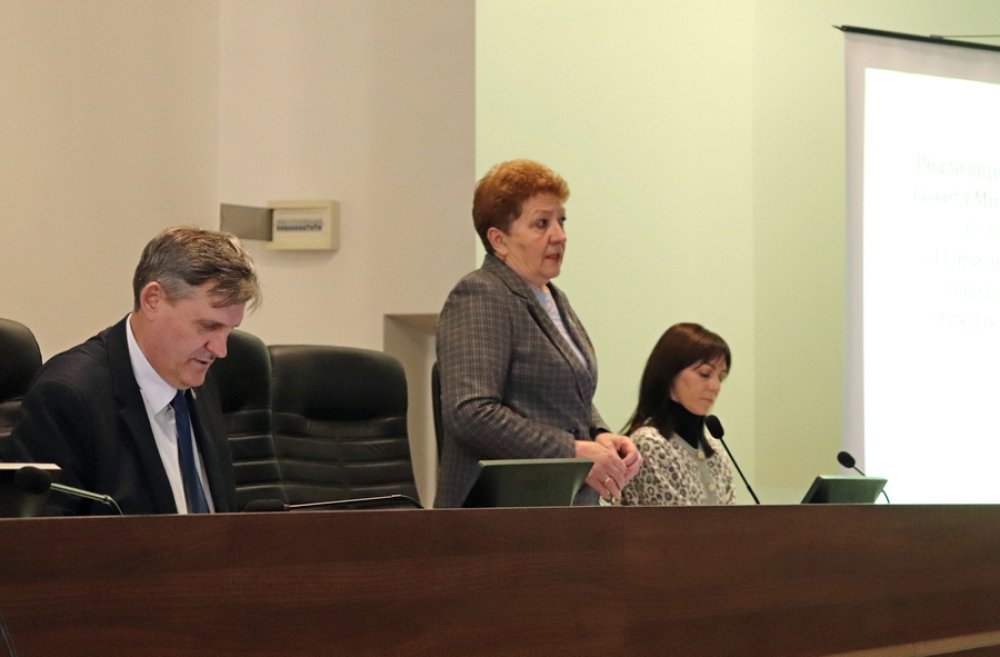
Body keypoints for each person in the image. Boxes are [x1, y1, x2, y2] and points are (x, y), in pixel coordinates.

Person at [6, 227, 260, 515]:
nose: (220, 350)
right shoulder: (68, 395)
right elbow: (45, 536)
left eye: (229, 330)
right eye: (208, 326)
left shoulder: (198, 378)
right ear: (153, 300)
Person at [435, 159, 642, 507]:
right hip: (501, 516)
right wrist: (571, 451)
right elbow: (470, 413)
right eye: (542, 223)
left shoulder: (554, 298)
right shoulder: (481, 294)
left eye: (561, 221)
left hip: (562, 510)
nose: (560, 235)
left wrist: (600, 435)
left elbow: (569, 396)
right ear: (499, 240)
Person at [619, 322, 735, 506]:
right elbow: (677, 523)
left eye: (720, 377)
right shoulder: (649, 443)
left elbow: (734, 518)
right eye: (705, 374)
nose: (715, 387)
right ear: (669, 374)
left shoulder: (716, 453)